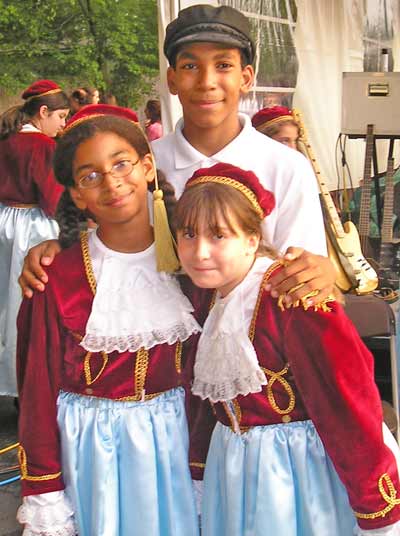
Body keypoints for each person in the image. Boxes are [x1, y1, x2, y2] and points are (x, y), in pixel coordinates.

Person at [18, 4, 336, 311]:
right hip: (158, 347)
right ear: (171, 79)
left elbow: (300, 273)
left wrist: (320, 272)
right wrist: (61, 250)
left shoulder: (288, 168)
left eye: (223, 65)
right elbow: (110, 248)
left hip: (249, 347)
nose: (206, 81)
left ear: (246, 77)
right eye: (190, 66)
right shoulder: (141, 165)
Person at [174, 162, 400, 536]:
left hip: (295, 474)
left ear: (251, 238)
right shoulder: (209, 300)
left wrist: (375, 507)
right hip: (233, 468)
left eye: (218, 235)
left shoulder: (292, 296)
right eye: (187, 234)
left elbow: (347, 400)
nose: (199, 252)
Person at [16, 104, 201, 536]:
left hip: (178, 445)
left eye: (121, 164)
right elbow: (37, 388)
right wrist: (43, 486)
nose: (111, 181)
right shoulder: (56, 275)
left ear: (148, 167)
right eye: (90, 176)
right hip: (90, 453)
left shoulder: (197, 262)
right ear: (77, 195)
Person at [0, 79, 69, 397]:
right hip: (32, 227)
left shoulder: (6, 138)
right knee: (24, 302)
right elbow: (52, 197)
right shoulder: (42, 146)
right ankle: (22, 383)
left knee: (3, 299)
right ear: (43, 112)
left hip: (4, 221)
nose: (63, 124)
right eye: (60, 117)